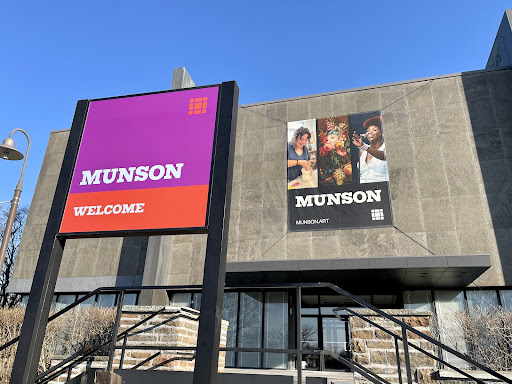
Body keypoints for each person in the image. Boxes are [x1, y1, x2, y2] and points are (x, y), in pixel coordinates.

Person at [351, 115, 388, 183]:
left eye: (374, 130)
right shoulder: (362, 151)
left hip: (382, 188)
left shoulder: (386, 147)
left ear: (382, 134)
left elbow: (384, 156)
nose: (369, 132)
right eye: (367, 130)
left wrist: (363, 146)